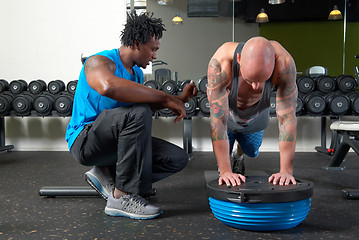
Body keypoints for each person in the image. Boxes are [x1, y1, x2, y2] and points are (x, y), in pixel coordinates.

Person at [65, 11, 197, 220]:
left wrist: (178, 99)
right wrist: (165, 98)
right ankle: (122, 197)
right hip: (85, 141)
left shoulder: (135, 73)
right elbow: (108, 87)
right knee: (139, 111)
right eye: (153, 49)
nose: (155, 56)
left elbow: (136, 116)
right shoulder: (98, 61)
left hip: (113, 142)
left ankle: (110, 177)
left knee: (177, 158)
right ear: (136, 43)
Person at [207, 36, 297, 187]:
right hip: (227, 113)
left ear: (274, 59)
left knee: (252, 151)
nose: (256, 87)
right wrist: (225, 171)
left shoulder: (285, 64)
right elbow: (218, 120)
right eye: (250, 80)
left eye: (262, 80)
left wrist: (286, 171)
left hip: (257, 113)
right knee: (223, 159)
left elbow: (287, 117)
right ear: (239, 59)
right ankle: (229, 158)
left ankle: (239, 155)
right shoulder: (221, 63)